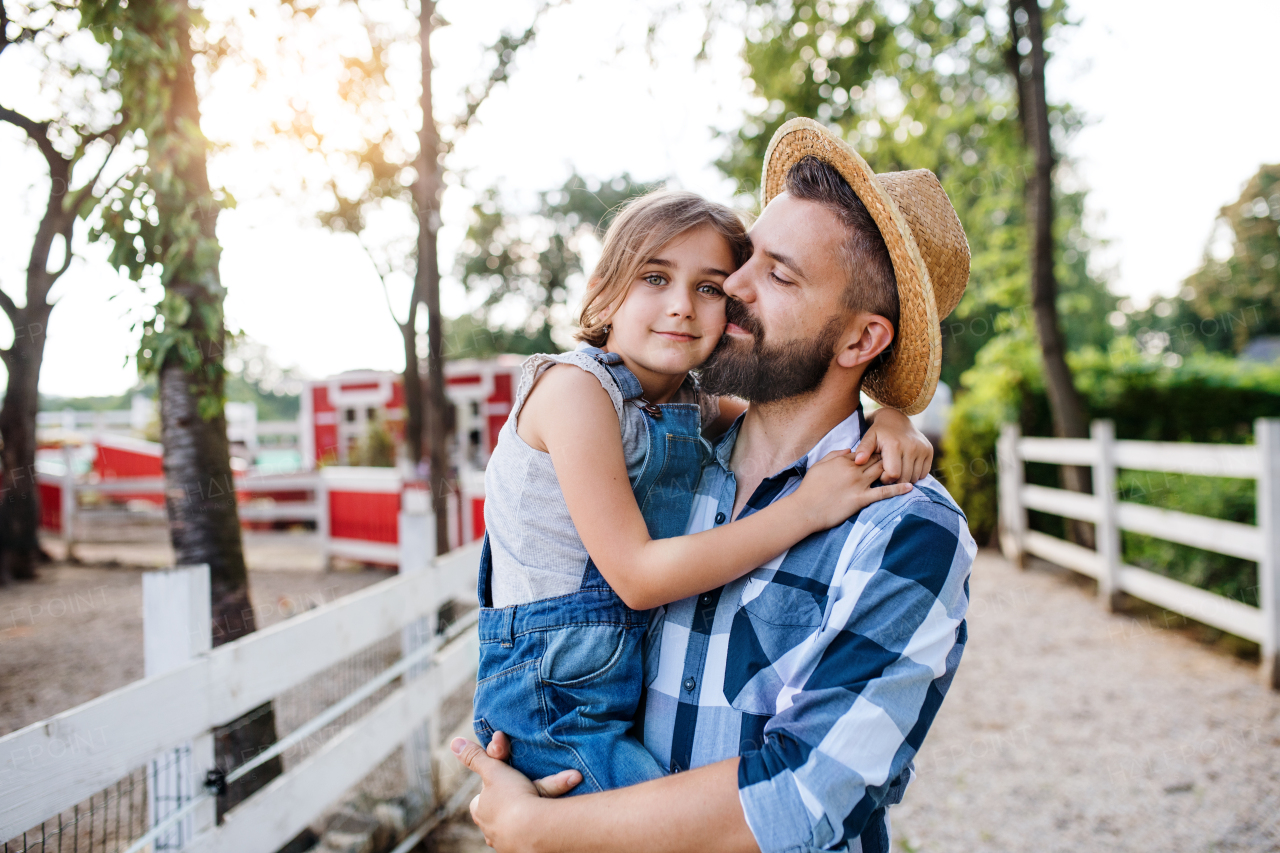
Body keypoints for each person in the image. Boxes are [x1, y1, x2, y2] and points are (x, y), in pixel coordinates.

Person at [455, 118, 978, 853]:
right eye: (748, 259)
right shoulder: (674, 461)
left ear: (861, 341)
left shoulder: (901, 526)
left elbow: (802, 797)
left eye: (777, 273)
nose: (728, 288)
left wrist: (542, 826)